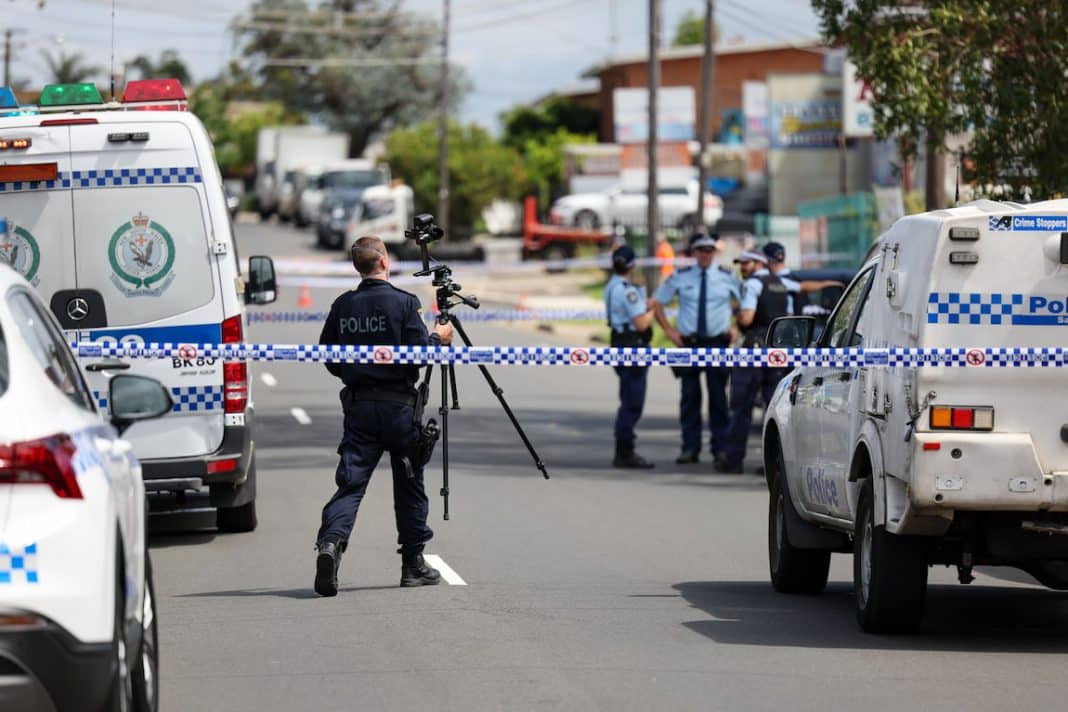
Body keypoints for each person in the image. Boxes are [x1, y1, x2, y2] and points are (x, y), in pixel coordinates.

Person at [313, 235, 454, 597]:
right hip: (399, 410)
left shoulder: (342, 306)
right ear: (385, 261)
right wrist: (438, 338)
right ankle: (412, 564)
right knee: (409, 484)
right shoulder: (405, 303)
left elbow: (328, 356)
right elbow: (421, 356)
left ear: (359, 266)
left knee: (351, 483)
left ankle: (331, 544)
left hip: (359, 408)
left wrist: (355, 374)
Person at [716, 243, 844, 473]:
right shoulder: (779, 282)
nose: (742, 268)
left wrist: (737, 316)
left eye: (746, 263)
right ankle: (772, 464)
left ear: (758, 264)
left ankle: (733, 460)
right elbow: (802, 286)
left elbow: (747, 318)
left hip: (753, 351)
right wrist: (828, 285)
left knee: (741, 407)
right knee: (774, 409)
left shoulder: (753, 284)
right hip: (776, 352)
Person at [652, 231, 741, 465]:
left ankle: (720, 449)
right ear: (694, 253)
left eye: (709, 250)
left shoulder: (726, 276)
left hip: (717, 343)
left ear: (714, 253)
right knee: (690, 397)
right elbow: (657, 303)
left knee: (718, 398)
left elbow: (746, 302)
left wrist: (737, 328)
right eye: (701, 250)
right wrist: (669, 332)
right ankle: (689, 448)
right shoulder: (681, 276)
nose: (705, 255)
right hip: (689, 343)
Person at [605, 244, 656, 469]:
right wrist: (653, 308)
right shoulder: (628, 290)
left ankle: (623, 449)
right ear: (633, 265)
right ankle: (625, 452)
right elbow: (641, 322)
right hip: (632, 345)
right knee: (632, 401)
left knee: (627, 397)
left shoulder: (611, 286)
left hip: (618, 341)